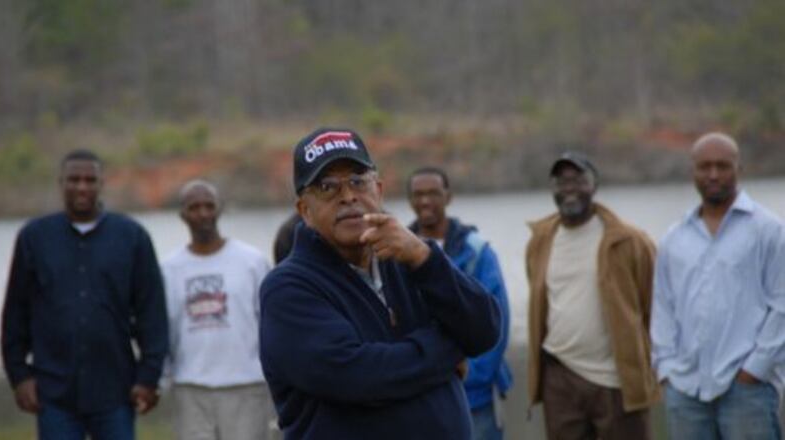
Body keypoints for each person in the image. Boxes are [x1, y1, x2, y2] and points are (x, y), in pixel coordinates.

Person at [259, 128, 501, 439]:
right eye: (327, 187)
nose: (348, 196)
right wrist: (451, 349)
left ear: (379, 189)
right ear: (304, 210)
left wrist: (425, 258)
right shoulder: (287, 288)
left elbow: (484, 330)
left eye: (358, 181)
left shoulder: (412, 258)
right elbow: (357, 376)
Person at [0, 149, 168, 440]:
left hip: (116, 390)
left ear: (102, 184)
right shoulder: (34, 238)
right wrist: (20, 376)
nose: (82, 187)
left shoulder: (132, 237)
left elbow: (151, 313)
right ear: (61, 183)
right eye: (74, 179)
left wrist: (148, 377)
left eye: (90, 180)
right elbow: (15, 313)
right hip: (53, 393)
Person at [651, 132, 785, 439]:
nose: (713, 174)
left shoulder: (768, 230)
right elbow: (662, 306)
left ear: (739, 169)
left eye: (723, 166)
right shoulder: (675, 238)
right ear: (693, 171)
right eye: (705, 166)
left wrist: (755, 370)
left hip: (747, 389)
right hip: (686, 389)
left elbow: (782, 304)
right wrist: (667, 369)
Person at [525, 152, 659, 440]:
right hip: (560, 377)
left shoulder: (629, 241)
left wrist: (648, 364)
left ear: (594, 185)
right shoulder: (540, 241)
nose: (569, 188)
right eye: (561, 181)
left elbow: (654, 307)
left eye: (578, 180)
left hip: (616, 378)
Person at [161, 180, 274, 440]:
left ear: (219, 209)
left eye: (208, 206)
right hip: (190, 387)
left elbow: (269, 323)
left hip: (246, 385)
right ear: (182, 214)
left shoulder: (252, 261)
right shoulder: (168, 268)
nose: (202, 214)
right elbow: (163, 328)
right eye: (194, 207)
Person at [407, 166, 513, 440]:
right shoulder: (397, 249)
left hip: (476, 399)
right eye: (418, 194)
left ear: (448, 196)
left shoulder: (476, 250)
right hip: (421, 398)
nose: (425, 201)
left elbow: (497, 320)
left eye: (433, 193)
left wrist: (469, 377)